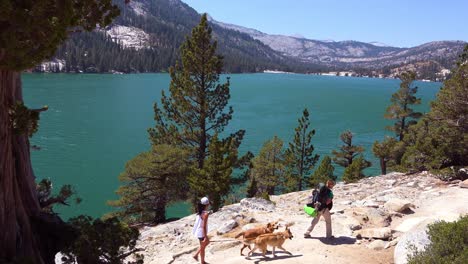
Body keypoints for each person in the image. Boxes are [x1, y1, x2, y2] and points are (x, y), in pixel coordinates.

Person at [193, 197, 210, 264]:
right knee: (203, 247)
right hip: (201, 233)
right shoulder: (206, 214)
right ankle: (202, 262)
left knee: (204, 245)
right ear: (207, 205)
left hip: (199, 232)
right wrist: (206, 237)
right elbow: (204, 226)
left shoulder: (200, 212)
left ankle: (196, 255)